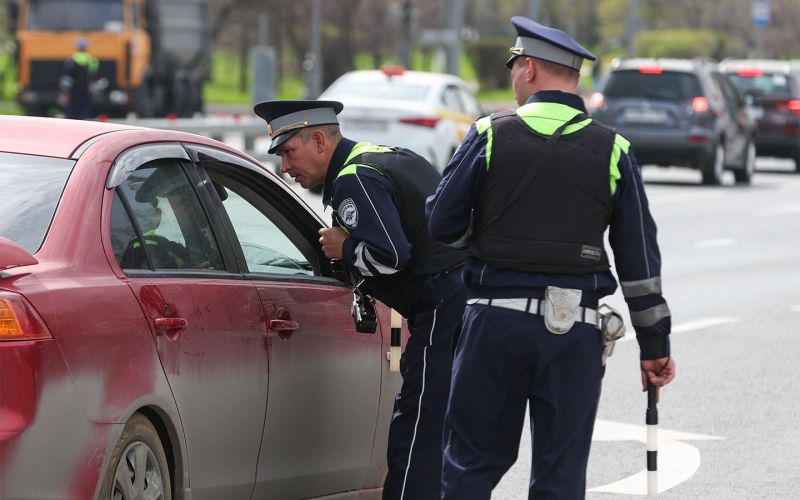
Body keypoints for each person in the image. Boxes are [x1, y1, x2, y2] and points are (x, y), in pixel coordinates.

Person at [426, 16, 676, 499]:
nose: (513, 75)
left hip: (493, 330)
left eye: (514, 65)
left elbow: (440, 224)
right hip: (574, 334)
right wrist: (654, 346)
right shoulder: (613, 149)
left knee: (469, 467)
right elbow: (639, 263)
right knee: (560, 480)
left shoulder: (490, 134)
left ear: (531, 70)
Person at [253, 99, 466, 500]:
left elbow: (391, 254)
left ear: (318, 140)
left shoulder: (354, 178)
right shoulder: (380, 157)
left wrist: (344, 248)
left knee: (417, 426)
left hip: (442, 304)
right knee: (446, 427)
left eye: (287, 152)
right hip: (460, 296)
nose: (284, 167)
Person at [60, 37, 99, 119]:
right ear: (86, 47)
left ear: (77, 47)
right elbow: (94, 77)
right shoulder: (92, 60)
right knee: (85, 110)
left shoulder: (71, 60)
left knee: (72, 110)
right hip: (86, 89)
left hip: (74, 89)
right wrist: (95, 91)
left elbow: (67, 78)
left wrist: (64, 91)